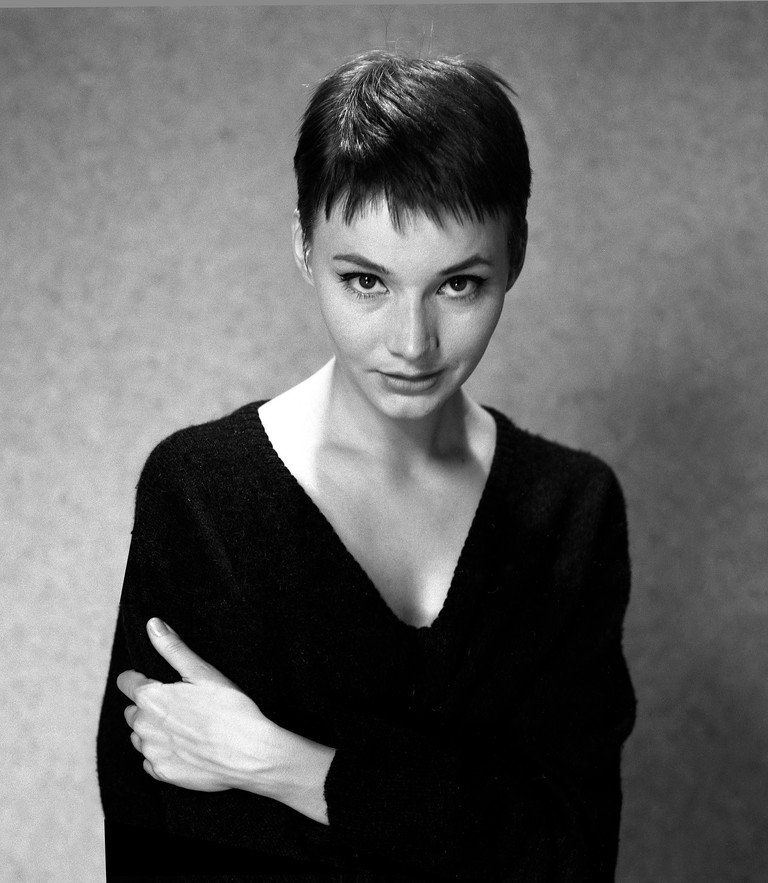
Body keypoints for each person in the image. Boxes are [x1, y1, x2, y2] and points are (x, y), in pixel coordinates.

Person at [97, 51, 636, 882]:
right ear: (304, 248)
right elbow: (161, 838)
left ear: (516, 257)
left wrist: (282, 764)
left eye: (458, 284)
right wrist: (461, 810)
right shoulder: (202, 493)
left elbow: (569, 854)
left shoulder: (574, 509)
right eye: (366, 281)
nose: (412, 343)